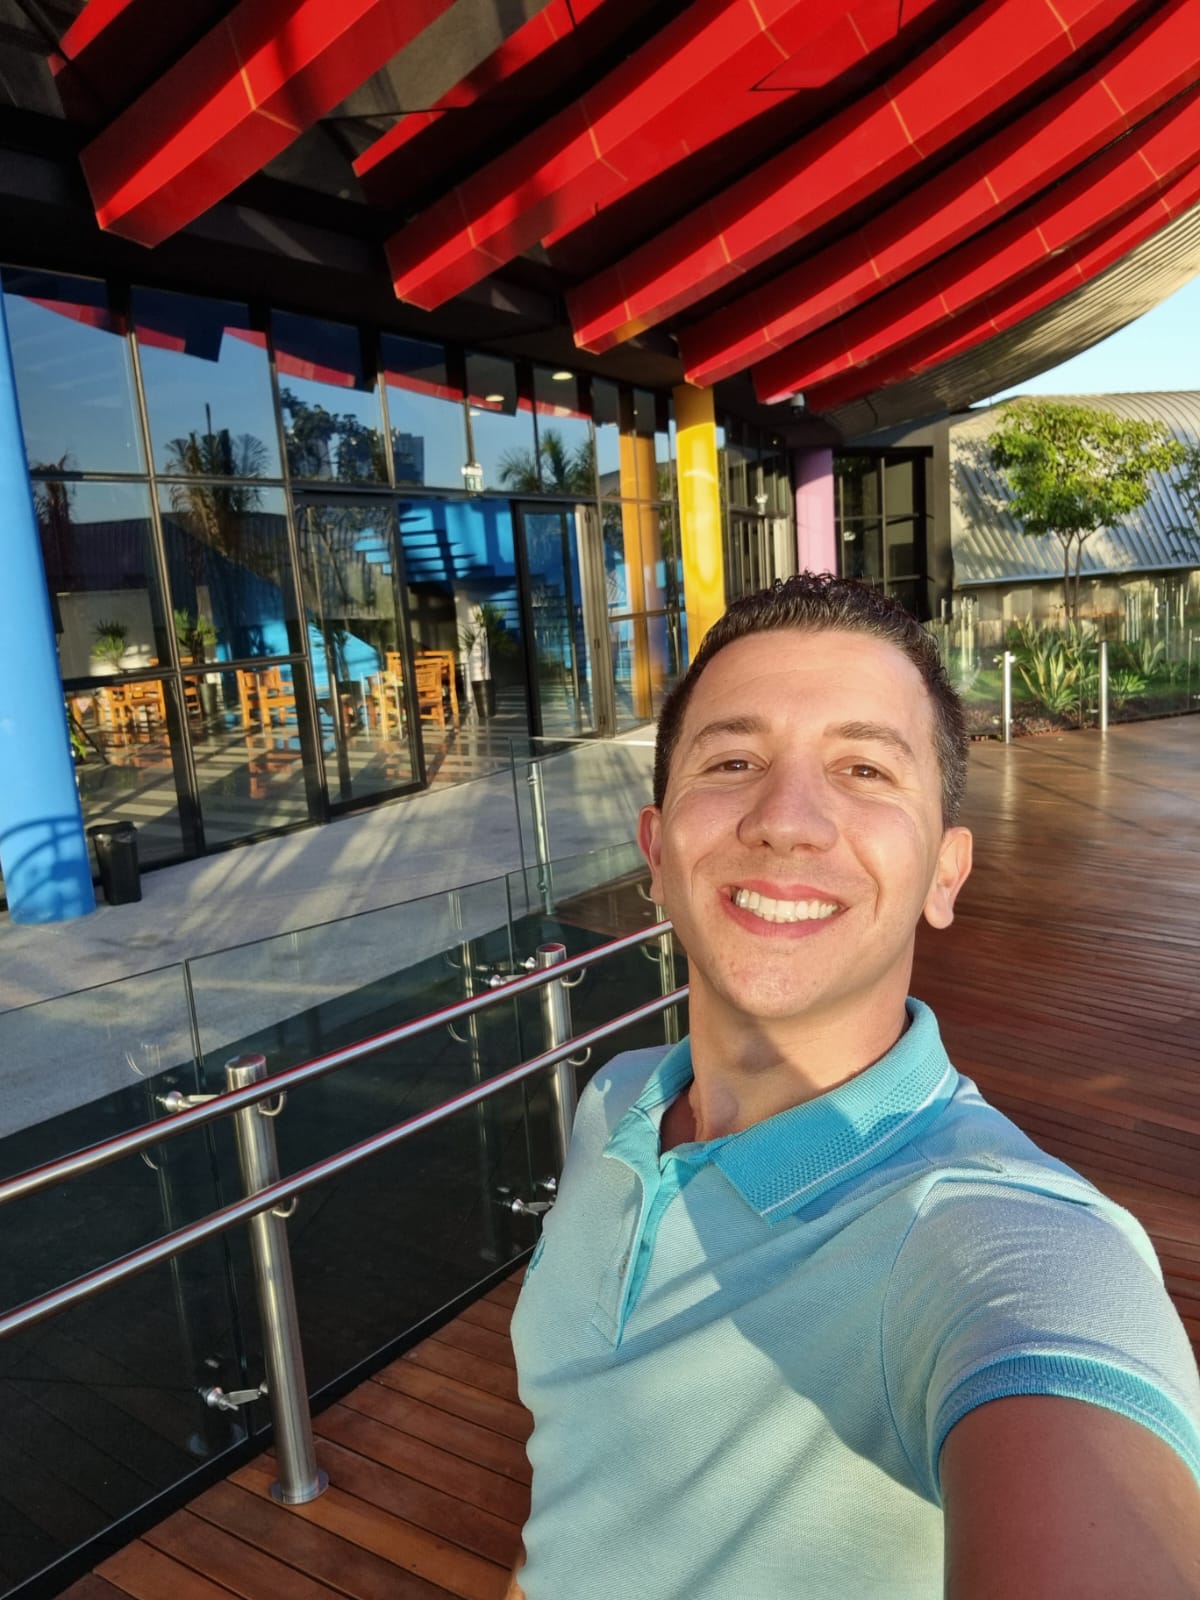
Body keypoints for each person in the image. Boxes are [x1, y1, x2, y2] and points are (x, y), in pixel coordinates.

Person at [505, 573, 1200, 1600]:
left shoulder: (993, 1238)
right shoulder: (616, 1100)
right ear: (656, 853)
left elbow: (1059, 1376)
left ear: (945, 873)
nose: (786, 820)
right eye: (734, 761)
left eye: (865, 768)